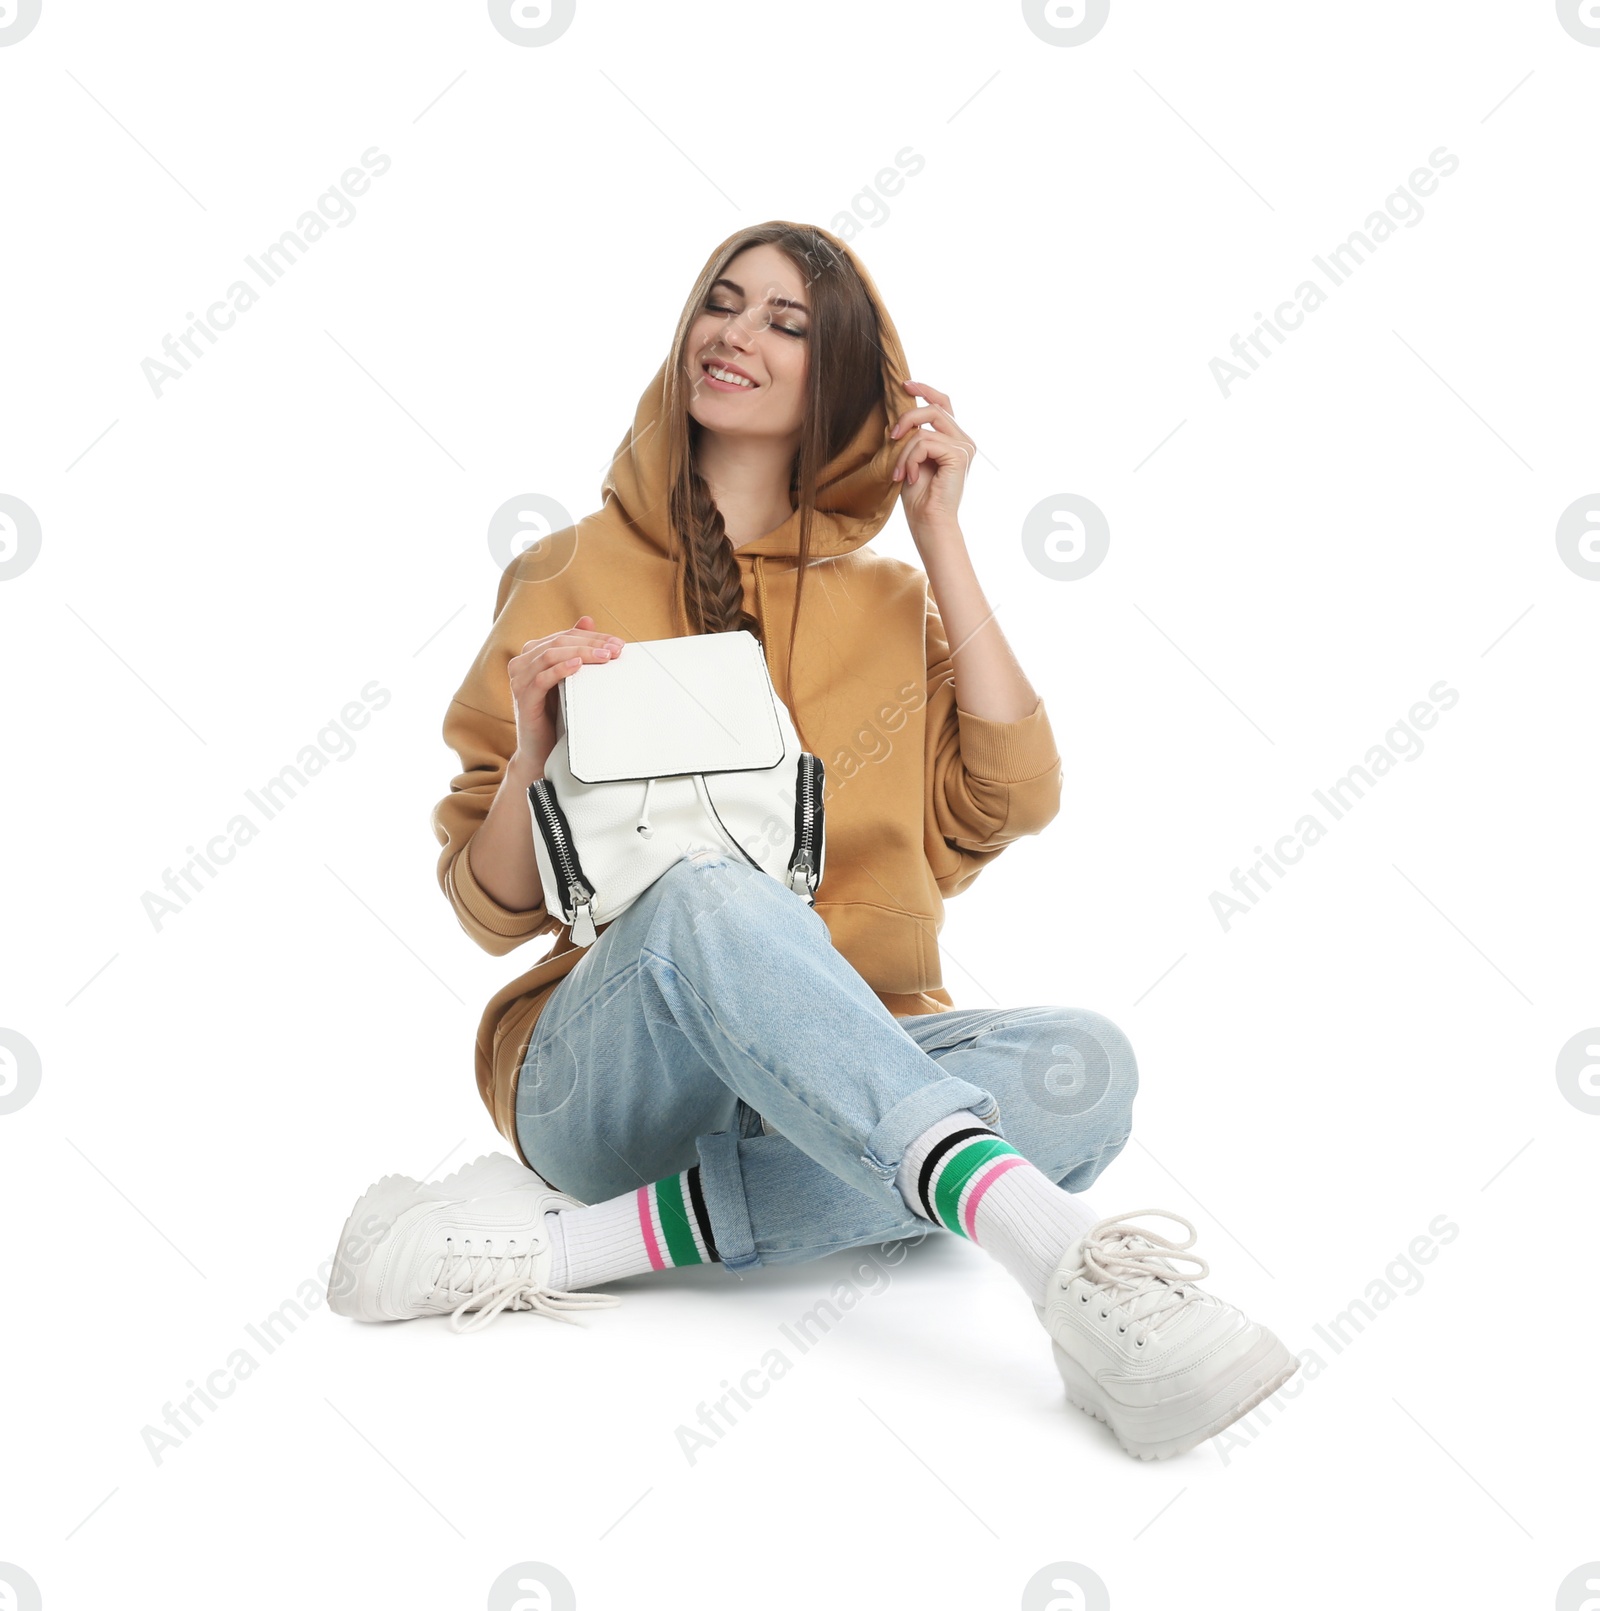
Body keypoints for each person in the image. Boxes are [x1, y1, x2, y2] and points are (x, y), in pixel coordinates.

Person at [325, 221, 1297, 1461]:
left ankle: (562, 1248)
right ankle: (1057, 1265)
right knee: (711, 897)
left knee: (1082, 1068)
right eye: (721, 305)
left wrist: (939, 535)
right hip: (608, 1078)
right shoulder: (566, 568)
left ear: (836, 380)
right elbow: (489, 907)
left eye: (786, 323)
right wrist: (528, 752)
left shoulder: (890, 604)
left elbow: (1012, 798)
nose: (735, 334)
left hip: (845, 1078)